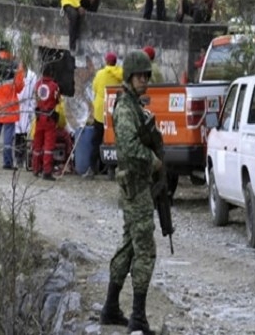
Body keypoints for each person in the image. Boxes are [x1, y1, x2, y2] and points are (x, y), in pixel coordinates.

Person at [99, 50, 163, 335]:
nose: (144, 80)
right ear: (129, 77)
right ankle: (138, 318)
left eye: (146, 76)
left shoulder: (134, 105)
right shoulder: (126, 108)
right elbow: (128, 146)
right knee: (145, 250)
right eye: (139, 76)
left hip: (137, 185)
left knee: (129, 246)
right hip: (135, 187)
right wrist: (153, 160)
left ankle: (111, 308)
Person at [0, 40, 25, 170]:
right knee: (8, 135)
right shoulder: (15, 65)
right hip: (10, 105)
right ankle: (7, 163)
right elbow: (19, 87)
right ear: (9, 50)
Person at [83, 51, 123, 178]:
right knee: (113, 141)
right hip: (115, 112)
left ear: (106, 62)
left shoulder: (100, 74)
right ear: (115, 63)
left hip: (101, 112)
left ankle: (92, 169)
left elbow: (94, 88)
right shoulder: (121, 75)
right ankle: (112, 170)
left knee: (96, 141)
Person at [31, 62, 61, 181]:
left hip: (39, 117)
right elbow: (57, 100)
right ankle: (47, 171)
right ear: (52, 73)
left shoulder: (37, 84)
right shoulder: (54, 86)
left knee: (37, 144)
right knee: (48, 146)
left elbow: (35, 98)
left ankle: (36, 168)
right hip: (49, 118)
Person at [14, 67, 37, 169]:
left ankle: (24, 158)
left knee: (26, 134)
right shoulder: (16, 74)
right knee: (18, 133)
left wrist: (33, 106)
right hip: (17, 106)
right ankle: (18, 157)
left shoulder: (33, 76)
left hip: (27, 107)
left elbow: (34, 92)